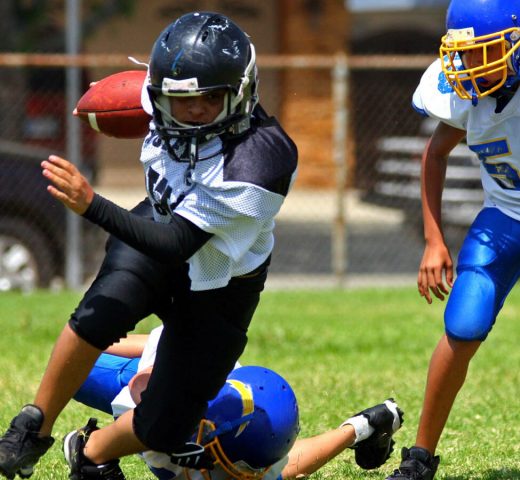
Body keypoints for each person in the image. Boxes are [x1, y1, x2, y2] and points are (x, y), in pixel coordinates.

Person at [0, 11, 298, 480]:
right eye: (180, 101)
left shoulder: (261, 159)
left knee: (166, 425)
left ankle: (92, 451)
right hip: (156, 222)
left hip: (220, 276)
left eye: (209, 99)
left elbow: (178, 243)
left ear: (239, 93)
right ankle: (33, 425)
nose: (192, 110)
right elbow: (140, 96)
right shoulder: (163, 95)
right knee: (102, 310)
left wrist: (92, 204)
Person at [385, 1, 520, 479]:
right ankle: (420, 457)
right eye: (463, 54)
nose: (469, 66)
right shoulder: (465, 92)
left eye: (484, 53)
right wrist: (434, 238)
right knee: (463, 324)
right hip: (506, 216)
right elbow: (435, 153)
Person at [72, 326, 405, 480]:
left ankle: (368, 424)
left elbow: (286, 465)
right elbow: (155, 349)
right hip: (152, 385)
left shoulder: (257, 446)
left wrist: (356, 428)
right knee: (74, 367)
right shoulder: (177, 394)